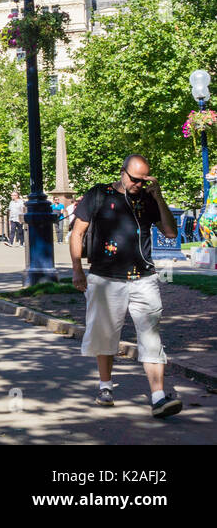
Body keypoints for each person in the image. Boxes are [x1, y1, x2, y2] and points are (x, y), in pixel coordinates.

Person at [70, 154, 181, 417]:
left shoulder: (148, 199)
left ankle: (158, 397)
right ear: (122, 172)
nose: (138, 185)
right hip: (105, 278)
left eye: (144, 181)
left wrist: (159, 197)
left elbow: (170, 232)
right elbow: (78, 233)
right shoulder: (98, 194)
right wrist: (77, 271)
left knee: (151, 336)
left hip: (144, 278)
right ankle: (105, 386)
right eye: (134, 179)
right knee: (104, 334)